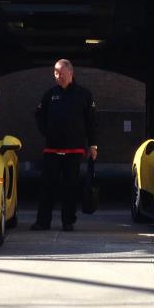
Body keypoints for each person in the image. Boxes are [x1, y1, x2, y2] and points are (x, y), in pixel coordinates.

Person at [31, 59, 97, 232]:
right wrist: (47, 132)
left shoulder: (84, 94)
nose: (58, 76)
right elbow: (39, 115)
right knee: (47, 186)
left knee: (70, 187)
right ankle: (43, 222)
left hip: (74, 150)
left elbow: (91, 121)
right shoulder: (49, 94)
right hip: (52, 149)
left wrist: (93, 145)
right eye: (55, 72)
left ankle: (68, 222)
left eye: (60, 72)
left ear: (70, 73)